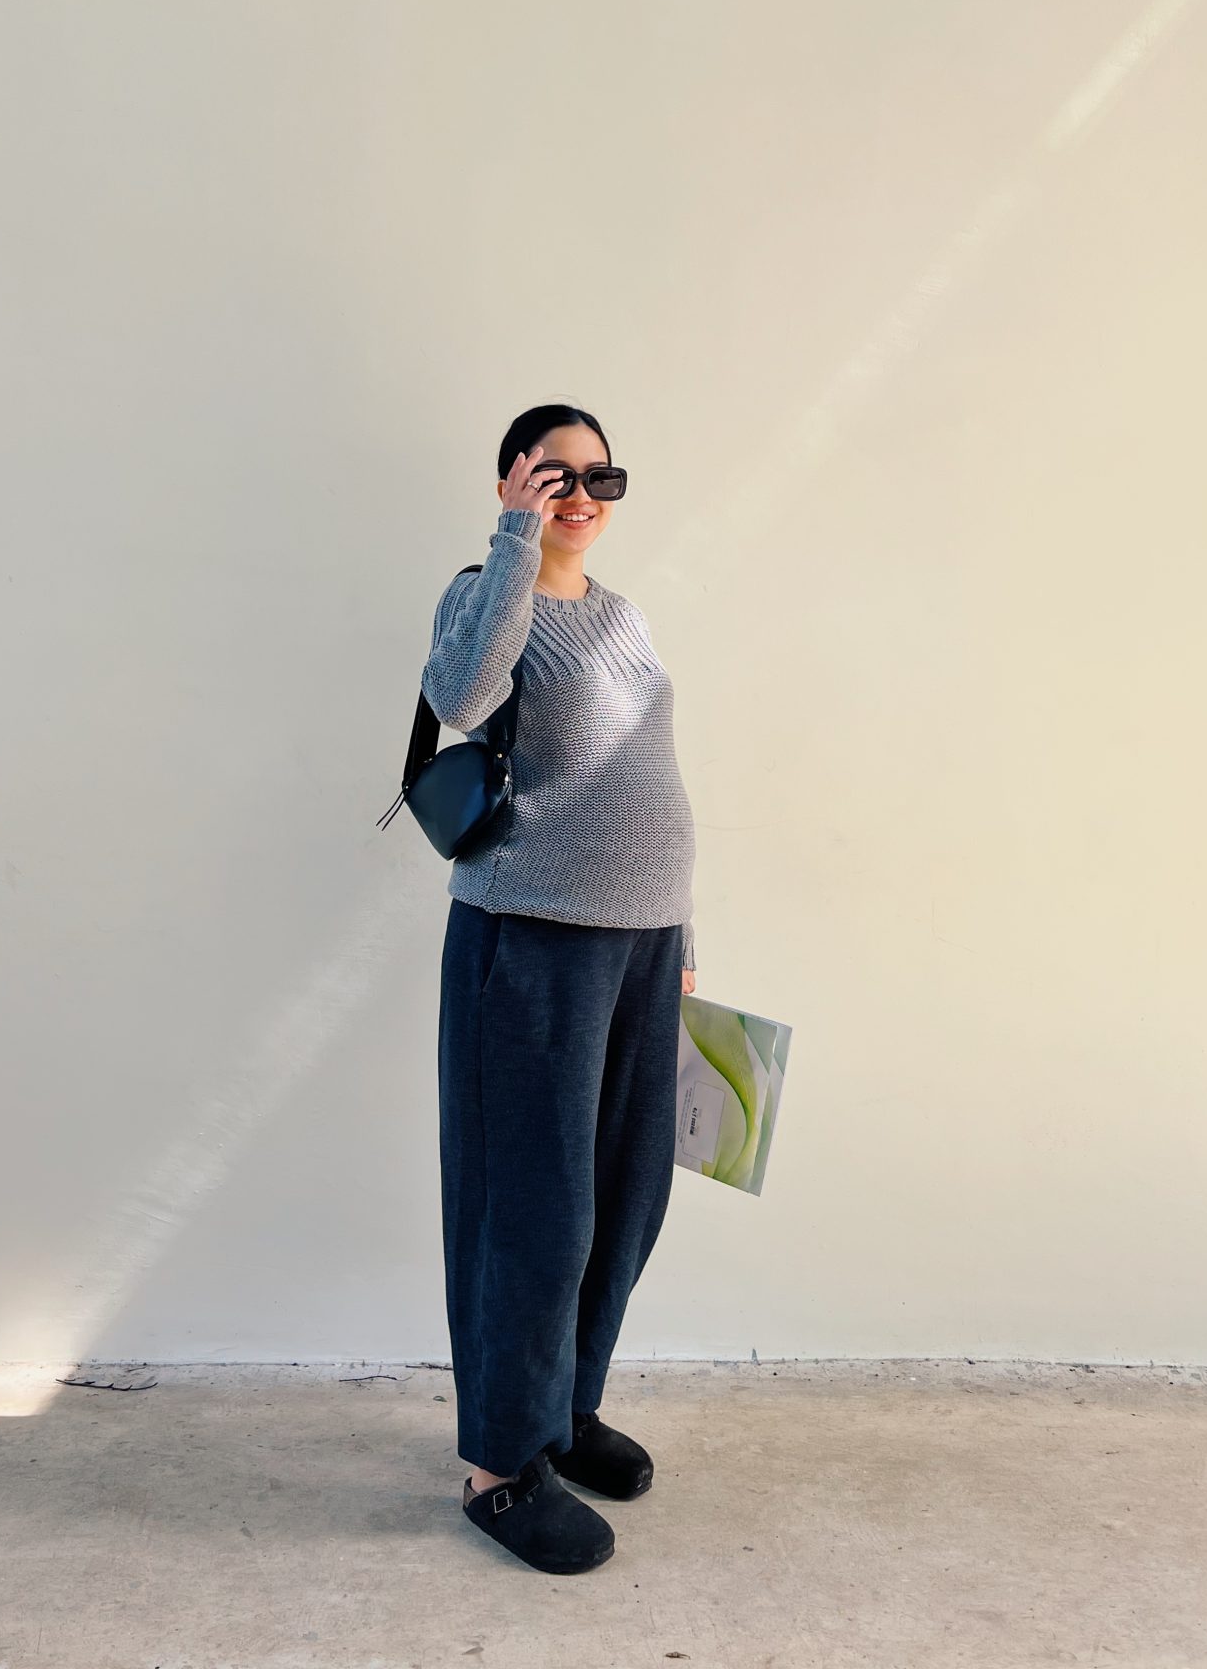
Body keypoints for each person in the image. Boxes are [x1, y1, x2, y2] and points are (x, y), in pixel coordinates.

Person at [424, 402, 698, 1574]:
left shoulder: (623, 616)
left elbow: (650, 767)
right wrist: (512, 543)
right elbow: (461, 698)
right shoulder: (488, 591)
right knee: (535, 1208)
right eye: (555, 475)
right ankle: (499, 1466)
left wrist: (685, 932)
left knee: (626, 1196)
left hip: (645, 938)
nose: (581, 495)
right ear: (513, 480)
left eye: (600, 477)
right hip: (533, 936)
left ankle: (563, 1409)